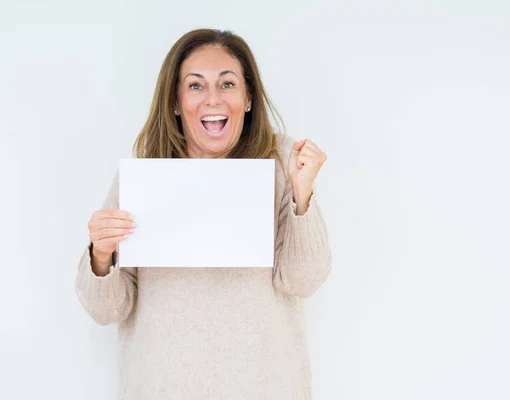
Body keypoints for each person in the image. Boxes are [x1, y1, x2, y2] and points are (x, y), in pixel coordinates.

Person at [75, 29, 332, 399]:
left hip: (266, 387)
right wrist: (101, 255)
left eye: (227, 84)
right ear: (176, 102)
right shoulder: (142, 178)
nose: (213, 98)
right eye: (195, 86)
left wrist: (302, 194)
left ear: (247, 98)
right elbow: (108, 310)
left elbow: (304, 281)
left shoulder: (282, 165)